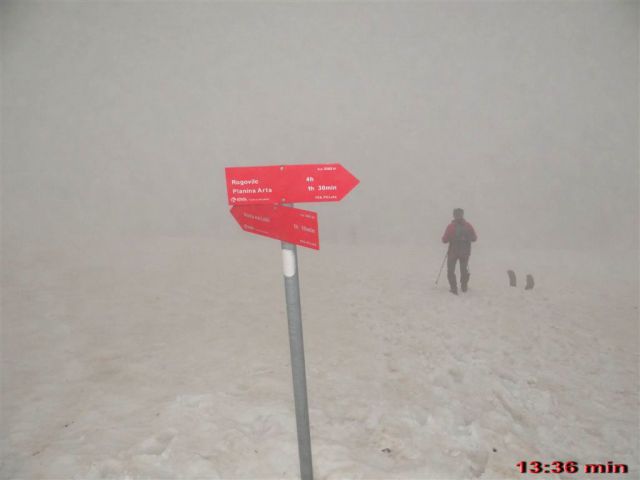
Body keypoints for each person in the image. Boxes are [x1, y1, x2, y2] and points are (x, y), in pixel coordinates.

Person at [441, 208, 477, 294]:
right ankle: (464, 286)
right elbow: (474, 238)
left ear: (454, 215)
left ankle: (454, 288)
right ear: (462, 215)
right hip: (465, 252)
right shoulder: (468, 226)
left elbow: (444, 240)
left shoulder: (451, 227)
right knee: (464, 269)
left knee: (451, 270)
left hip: (453, 252)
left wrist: (451, 238)